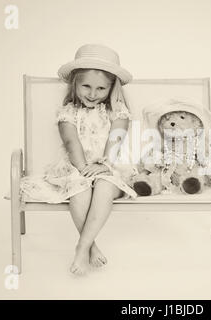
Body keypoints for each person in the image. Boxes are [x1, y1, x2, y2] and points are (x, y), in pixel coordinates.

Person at [20, 44, 137, 275]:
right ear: (74, 83)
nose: (93, 94)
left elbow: (116, 139)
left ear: (112, 88)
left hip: (109, 165)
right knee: (79, 187)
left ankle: (81, 246)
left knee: (104, 185)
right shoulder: (69, 112)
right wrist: (83, 168)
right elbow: (71, 142)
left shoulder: (117, 111)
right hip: (77, 166)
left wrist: (102, 166)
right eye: (86, 86)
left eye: (101, 88)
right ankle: (90, 247)